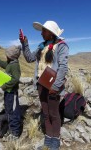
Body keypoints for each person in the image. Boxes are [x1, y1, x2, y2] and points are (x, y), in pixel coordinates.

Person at [20, 21, 69, 150]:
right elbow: (29, 58)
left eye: (44, 31)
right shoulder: (41, 46)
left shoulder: (61, 46)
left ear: (51, 33)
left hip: (53, 85)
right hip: (41, 84)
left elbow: (63, 68)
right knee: (46, 113)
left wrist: (56, 86)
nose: (41, 33)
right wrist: (24, 43)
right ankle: (48, 137)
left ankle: (55, 139)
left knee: (54, 113)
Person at [0, 45, 22, 140]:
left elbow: (16, 79)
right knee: (8, 110)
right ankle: (10, 128)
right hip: (8, 92)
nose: (5, 56)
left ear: (10, 56)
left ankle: (15, 133)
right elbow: (2, 64)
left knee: (14, 112)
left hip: (12, 93)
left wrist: (4, 86)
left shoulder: (14, 65)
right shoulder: (10, 63)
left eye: (7, 54)